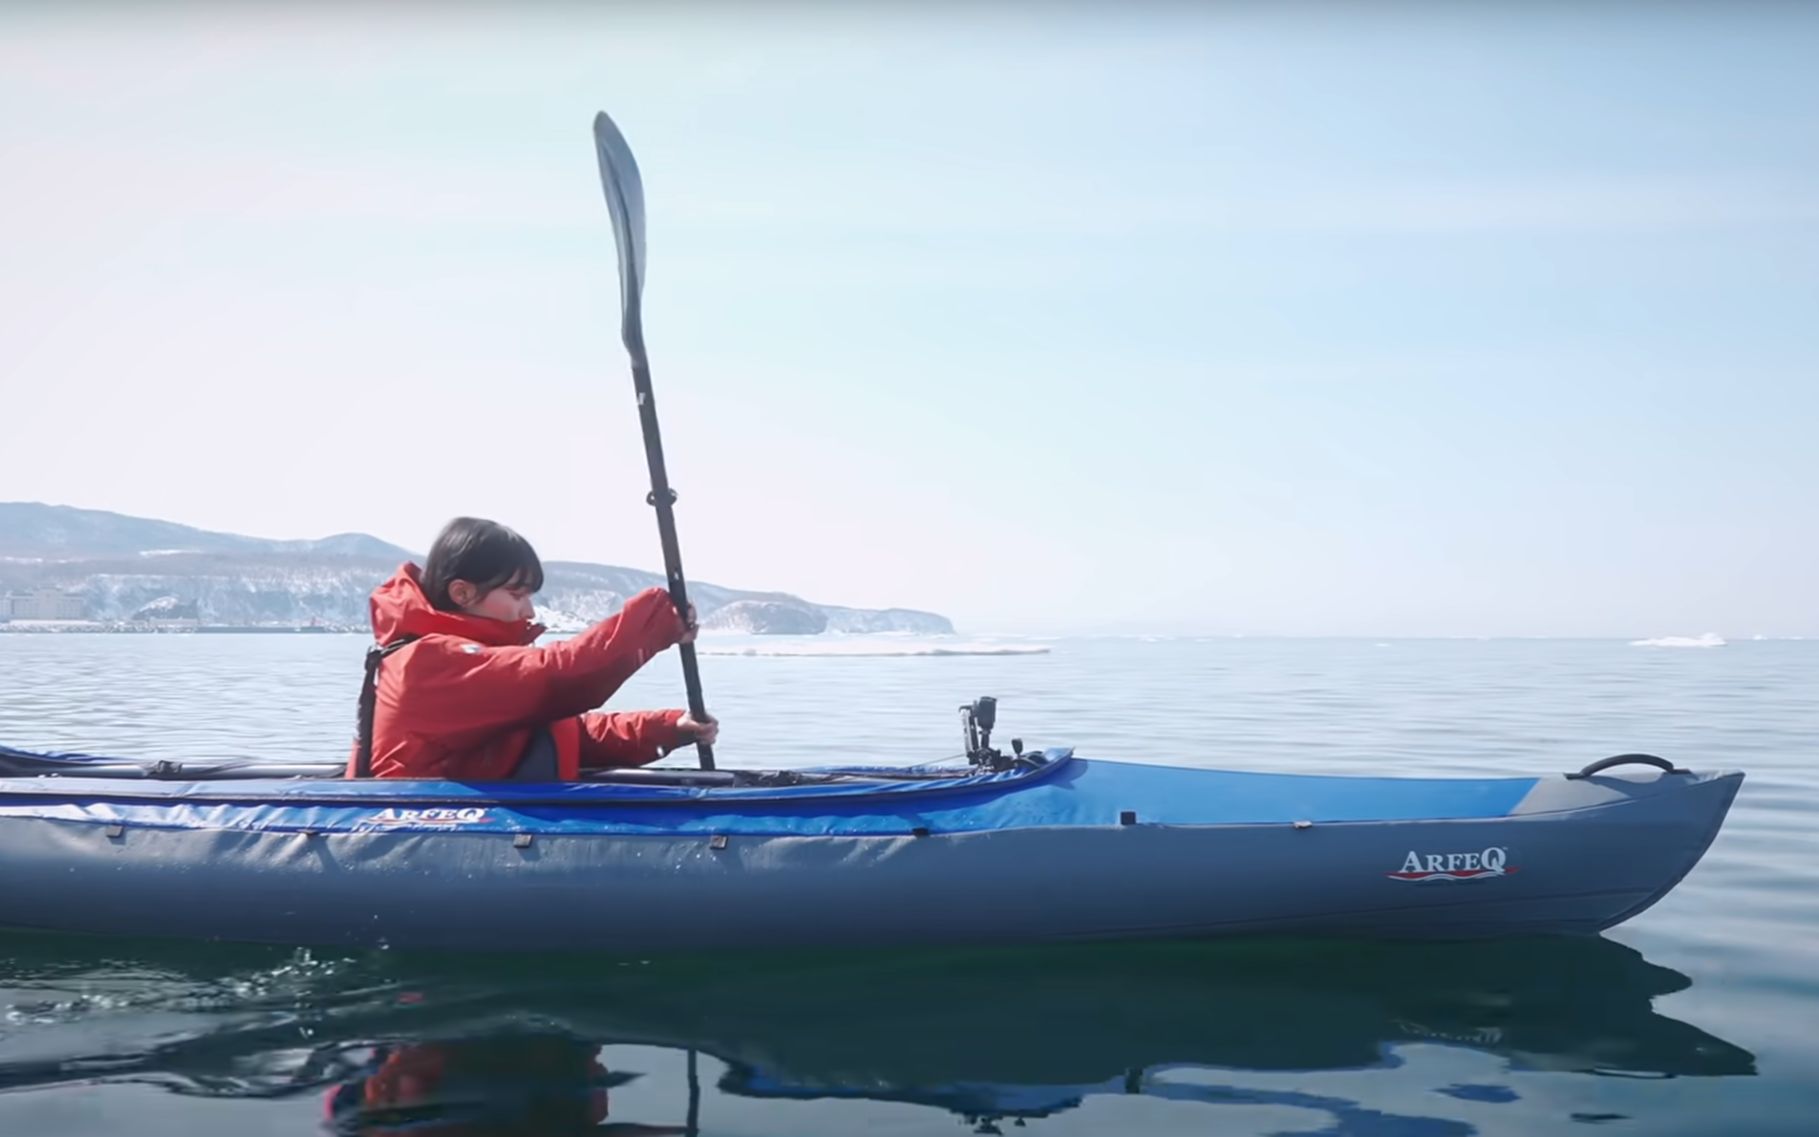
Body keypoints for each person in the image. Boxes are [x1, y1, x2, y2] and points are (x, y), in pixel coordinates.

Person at [349, 517, 717, 780]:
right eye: (516, 594)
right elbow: (559, 676)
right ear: (462, 593)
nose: (528, 611)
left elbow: (570, 735)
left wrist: (668, 728)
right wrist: (654, 621)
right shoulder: (427, 664)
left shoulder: (475, 668)